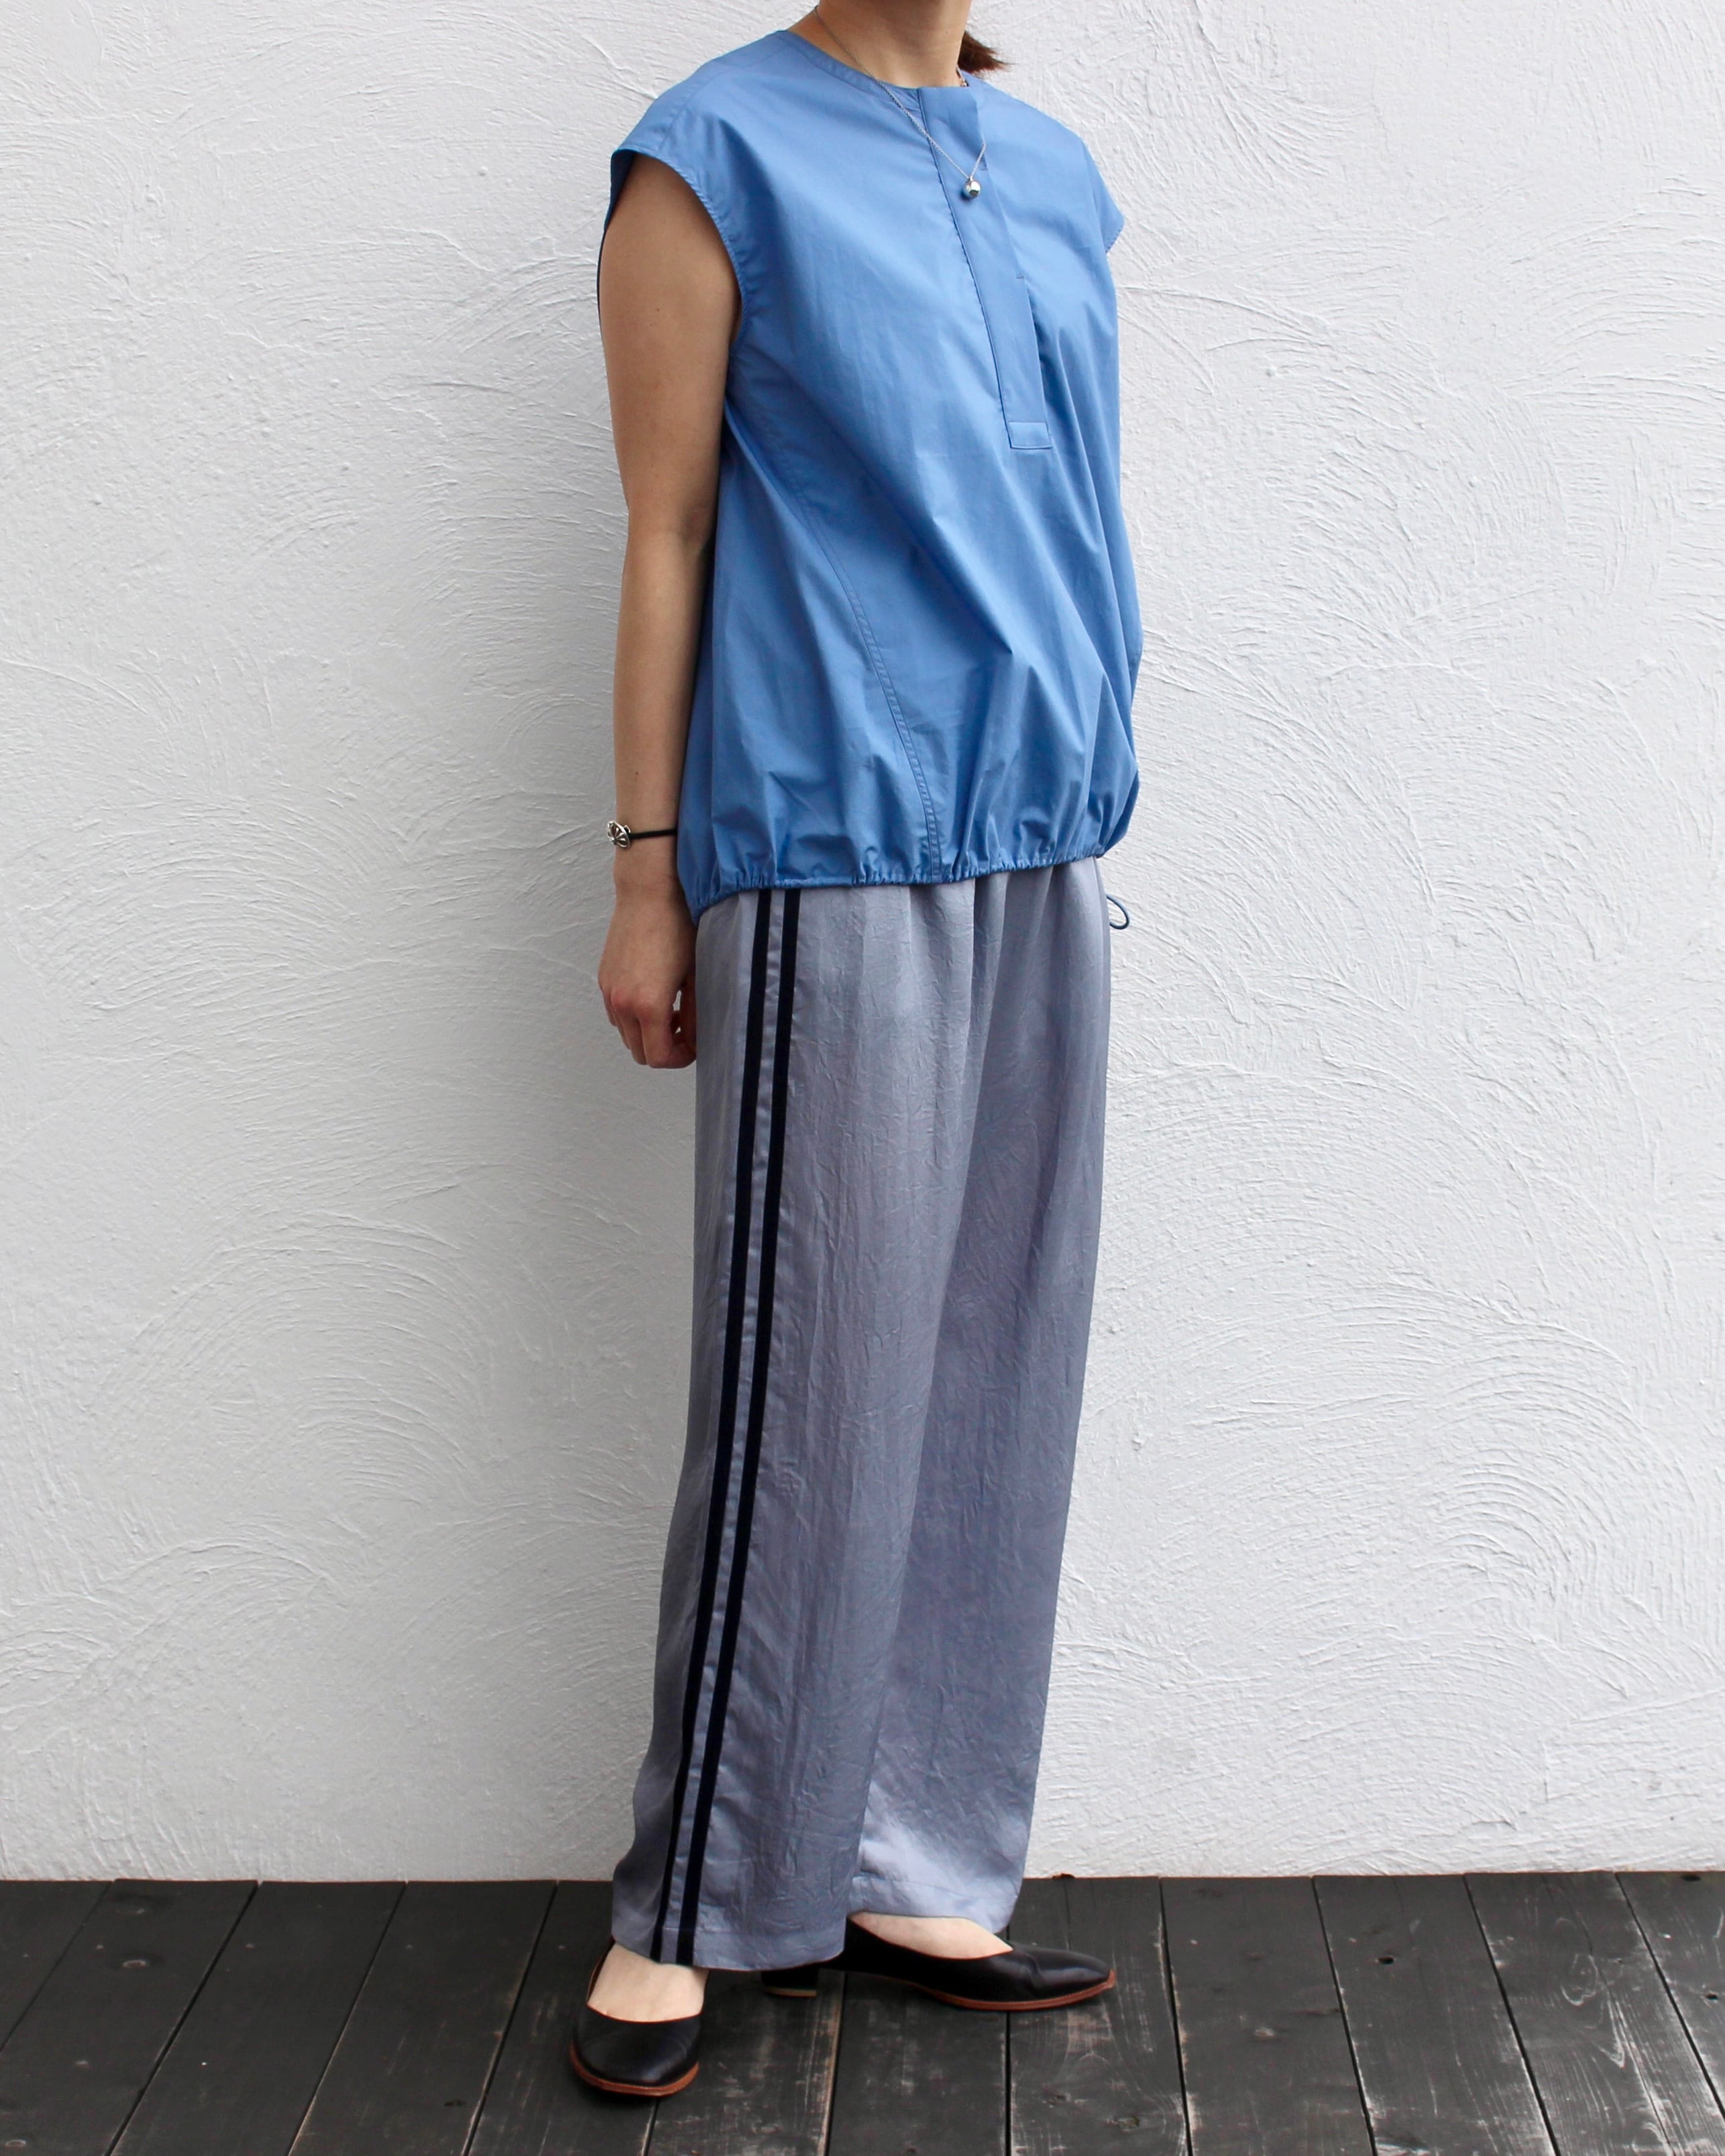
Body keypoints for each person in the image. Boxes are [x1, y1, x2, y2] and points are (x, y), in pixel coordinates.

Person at [571, 0, 1141, 2100]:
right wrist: (649, 875)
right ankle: (689, 1908)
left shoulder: (1054, 171)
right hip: (831, 834)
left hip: (1040, 839)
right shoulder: (709, 156)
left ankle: (906, 1856)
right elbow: (667, 530)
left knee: (989, 1374)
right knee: (806, 1387)